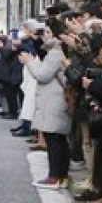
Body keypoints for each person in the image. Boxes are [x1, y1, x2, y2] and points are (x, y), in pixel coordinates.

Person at [22, 27, 71, 189]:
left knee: (54, 140)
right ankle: (60, 177)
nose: (44, 35)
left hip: (54, 101)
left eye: (49, 31)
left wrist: (29, 62)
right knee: (58, 139)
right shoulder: (59, 51)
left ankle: (55, 177)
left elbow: (43, 75)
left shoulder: (55, 53)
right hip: (55, 99)